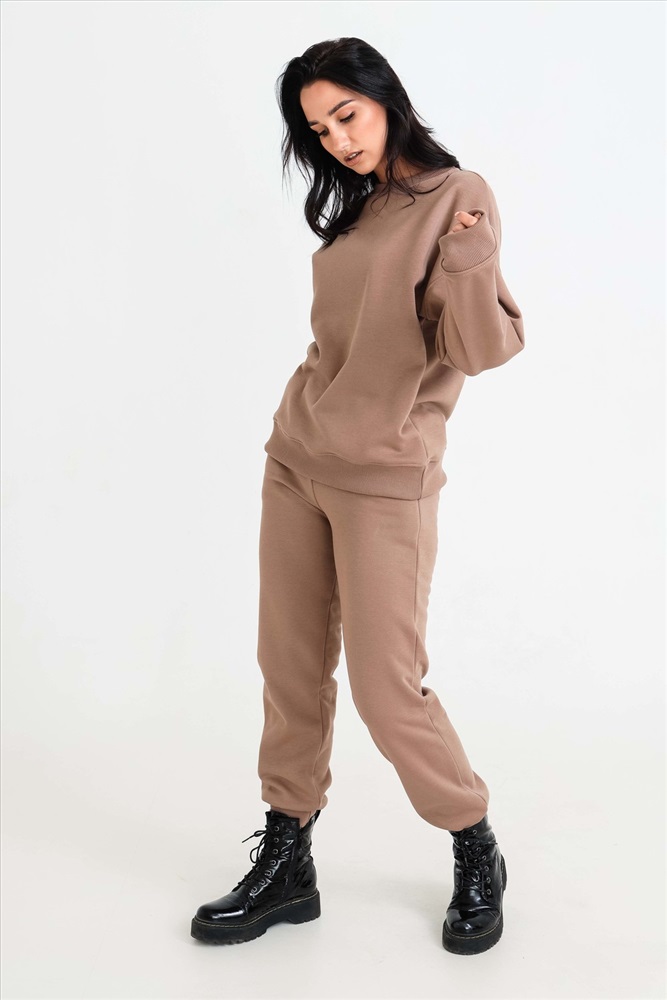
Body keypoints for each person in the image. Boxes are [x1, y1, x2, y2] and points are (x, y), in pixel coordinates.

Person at [191, 36, 524, 955]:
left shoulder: (458, 197)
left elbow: (479, 351)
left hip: (384, 481)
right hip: (296, 459)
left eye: (347, 114)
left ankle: (473, 841)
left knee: (387, 691)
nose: (337, 139)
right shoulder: (361, 205)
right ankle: (287, 861)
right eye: (317, 129)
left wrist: (472, 259)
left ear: (386, 98)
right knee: (289, 669)